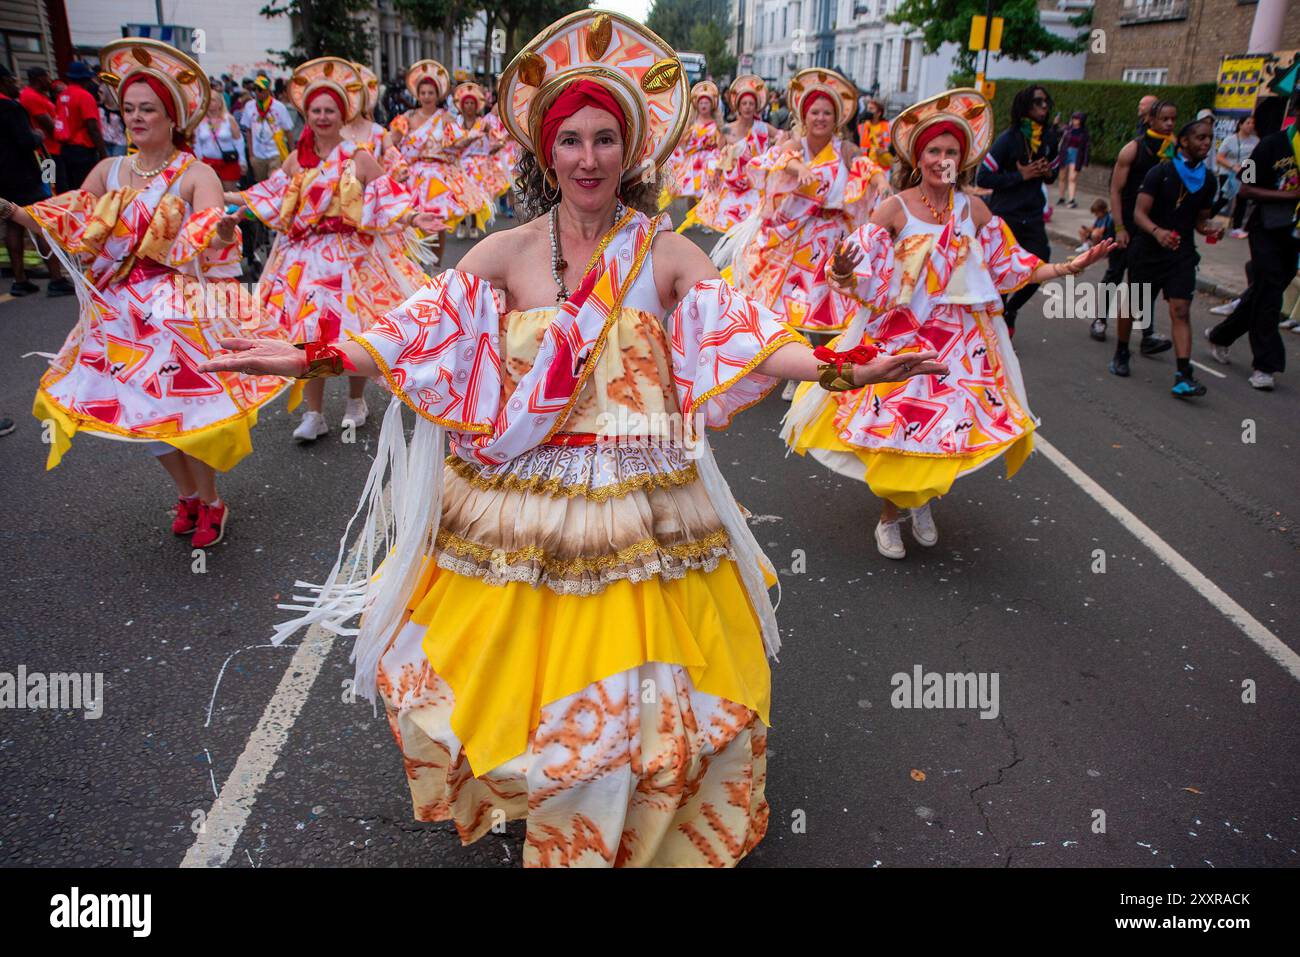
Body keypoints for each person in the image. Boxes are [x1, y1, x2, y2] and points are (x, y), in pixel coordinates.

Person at [200, 9, 943, 868]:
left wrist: (837, 369)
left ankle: (617, 821)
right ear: (545, 153)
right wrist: (307, 356)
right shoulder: (508, 251)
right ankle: (546, 791)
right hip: (524, 495)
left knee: (638, 694)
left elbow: (746, 329)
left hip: (643, 493)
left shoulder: (663, 253)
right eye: (571, 141)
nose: (588, 158)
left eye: (604, 140)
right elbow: (413, 331)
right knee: (501, 676)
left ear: (628, 153)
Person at [782, 87, 1113, 559]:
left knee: (954, 427)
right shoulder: (895, 209)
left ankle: (922, 501)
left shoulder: (973, 210)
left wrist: (1067, 268)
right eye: (934, 150)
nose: (943, 159)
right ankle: (890, 515)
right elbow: (857, 271)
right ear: (919, 157)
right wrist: (840, 271)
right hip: (901, 337)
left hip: (961, 341)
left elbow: (1011, 265)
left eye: (952, 151)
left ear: (964, 158)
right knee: (897, 430)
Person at [1, 39, 294, 547]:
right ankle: (186, 495)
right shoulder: (108, 171)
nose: (136, 118)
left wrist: (223, 232)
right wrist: (11, 211)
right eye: (129, 109)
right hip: (119, 315)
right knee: (139, 415)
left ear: (171, 116)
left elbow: (210, 231)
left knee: (190, 420)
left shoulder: (193, 173)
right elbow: (63, 215)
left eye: (148, 110)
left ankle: (212, 501)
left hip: (178, 313)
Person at [228, 56, 438, 441]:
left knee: (353, 332)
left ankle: (355, 401)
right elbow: (270, 194)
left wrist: (412, 218)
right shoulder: (297, 159)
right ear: (306, 114)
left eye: (330, 110)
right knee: (309, 335)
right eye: (316, 110)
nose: (323, 117)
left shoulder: (357, 156)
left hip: (351, 259)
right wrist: (231, 201)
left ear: (342, 115)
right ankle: (314, 413)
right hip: (303, 262)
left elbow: (385, 195)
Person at [713, 67, 885, 344]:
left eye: (827, 113)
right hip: (794, 237)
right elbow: (782, 158)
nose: (820, 118)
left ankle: (814, 371)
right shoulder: (795, 143)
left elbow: (863, 164)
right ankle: (793, 369)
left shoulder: (845, 148)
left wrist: (880, 182)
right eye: (815, 112)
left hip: (832, 240)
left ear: (837, 118)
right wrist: (798, 168)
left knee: (823, 312)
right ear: (804, 116)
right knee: (790, 307)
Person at [1121, 116, 1224, 397]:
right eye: (1200, 138)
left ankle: (1183, 374)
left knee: (1180, 309)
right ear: (1184, 142)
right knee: (1134, 304)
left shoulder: (1209, 180)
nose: (1206, 143)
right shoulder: (1161, 172)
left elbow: (1201, 221)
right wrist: (1157, 232)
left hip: (1181, 254)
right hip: (1149, 250)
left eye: (1209, 138)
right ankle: (1121, 352)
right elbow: (1139, 214)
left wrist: (1211, 228)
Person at [1206, 92, 1299, 391]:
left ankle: (1220, 335)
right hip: (1266, 230)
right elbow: (1245, 189)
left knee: (1264, 290)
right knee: (1270, 293)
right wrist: (1288, 196)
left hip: (1294, 235)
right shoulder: (1270, 145)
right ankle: (1265, 365)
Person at [1093, 99, 1180, 348]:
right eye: (1164, 119)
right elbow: (1116, 191)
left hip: (1153, 228)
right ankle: (1100, 319)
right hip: (1127, 224)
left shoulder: (1175, 150)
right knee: (1116, 273)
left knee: (1144, 282)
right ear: (1149, 120)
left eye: (1173, 119)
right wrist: (1119, 227)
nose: (1170, 123)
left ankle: (1147, 333)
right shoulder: (1133, 149)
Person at [975, 85, 1059, 334]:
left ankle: (1011, 310)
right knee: (999, 271)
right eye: (1037, 102)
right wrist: (1019, 175)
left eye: (1045, 102)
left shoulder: (1049, 138)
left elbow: (1052, 175)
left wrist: (1047, 173)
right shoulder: (1008, 139)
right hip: (1005, 216)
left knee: (1041, 265)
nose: (1043, 107)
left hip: (1032, 216)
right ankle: (996, 327)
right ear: (1025, 106)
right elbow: (984, 178)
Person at [388, 59, 486, 265]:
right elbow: (389, 143)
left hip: (438, 179)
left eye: (430, 93)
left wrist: (474, 136)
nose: (426, 97)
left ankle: (436, 267)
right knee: (410, 224)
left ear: (437, 95)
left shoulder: (445, 119)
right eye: (422, 92)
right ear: (417, 94)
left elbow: (457, 143)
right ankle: (415, 266)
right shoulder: (406, 118)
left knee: (436, 224)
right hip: (411, 177)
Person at [8, 66, 72, 296]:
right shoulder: (21, 102)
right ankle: (56, 278)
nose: (49, 79)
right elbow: (32, 136)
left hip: (11, 175)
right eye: (12, 79)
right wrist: (39, 136)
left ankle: (20, 279)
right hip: (44, 162)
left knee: (13, 223)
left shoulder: (23, 99)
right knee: (47, 210)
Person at [688, 74, 777, 233]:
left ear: (756, 106)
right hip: (732, 188)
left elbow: (782, 137)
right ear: (738, 106)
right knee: (730, 232)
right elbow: (718, 154)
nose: (748, 107)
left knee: (751, 232)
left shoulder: (763, 128)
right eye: (744, 103)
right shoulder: (727, 129)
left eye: (751, 103)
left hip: (756, 188)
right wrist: (714, 173)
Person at [446, 80, 510, 239]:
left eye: (471, 103)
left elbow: (500, 140)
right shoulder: (456, 124)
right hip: (460, 165)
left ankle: (473, 225)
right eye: (465, 102)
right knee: (460, 196)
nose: (468, 105)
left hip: (478, 167)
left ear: (476, 105)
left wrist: (490, 151)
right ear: (461, 105)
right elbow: (448, 144)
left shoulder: (483, 124)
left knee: (474, 196)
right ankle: (461, 225)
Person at [662, 81, 722, 213]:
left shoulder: (716, 125)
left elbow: (720, 144)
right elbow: (682, 142)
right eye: (701, 103)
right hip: (694, 161)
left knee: (706, 191)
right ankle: (692, 215)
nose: (704, 105)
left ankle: (703, 218)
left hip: (709, 161)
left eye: (706, 103)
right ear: (697, 105)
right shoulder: (692, 124)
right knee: (693, 191)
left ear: (712, 105)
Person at [55, 61, 106, 188]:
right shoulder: (85, 96)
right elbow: (92, 127)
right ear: (85, 79)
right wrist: (103, 153)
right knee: (87, 188)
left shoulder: (62, 95)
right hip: (83, 151)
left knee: (72, 187)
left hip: (65, 149)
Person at [239, 75, 292, 182]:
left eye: (261, 89)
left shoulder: (279, 107)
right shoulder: (249, 106)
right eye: (255, 89)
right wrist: (251, 155)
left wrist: (291, 153)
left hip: (275, 153)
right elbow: (248, 131)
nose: (258, 93)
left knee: (274, 182)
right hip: (258, 155)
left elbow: (288, 131)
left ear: (268, 90)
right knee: (261, 184)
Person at [193, 90, 248, 189]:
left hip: (228, 162)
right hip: (208, 162)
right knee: (210, 191)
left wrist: (242, 161)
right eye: (207, 99)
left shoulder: (228, 119)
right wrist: (199, 160)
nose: (210, 102)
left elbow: (238, 141)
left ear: (220, 103)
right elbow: (196, 142)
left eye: (213, 100)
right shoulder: (200, 120)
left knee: (229, 191)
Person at [1217, 113, 1259, 237]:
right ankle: (1205, 218)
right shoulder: (1231, 139)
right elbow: (1219, 157)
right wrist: (1232, 166)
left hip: (1247, 172)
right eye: (1248, 123)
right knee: (1224, 199)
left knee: (1243, 199)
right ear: (1240, 125)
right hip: (1229, 172)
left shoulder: (1256, 140)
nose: (1250, 126)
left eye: (1253, 123)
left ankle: (1236, 228)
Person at [1056, 112, 1089, 208]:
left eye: (1077, 119)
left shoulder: (1084, 132)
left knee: (1072, 178)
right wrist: (1055, 124)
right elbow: (1056, 132)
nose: (1075, 121)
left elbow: (1087, 148)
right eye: (1073, 119)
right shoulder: (1067, 129)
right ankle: (1061, 198)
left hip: (1076, 155)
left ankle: (1071, 199)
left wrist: (1085, 161)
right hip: (1065, 153)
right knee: (1062, 177)